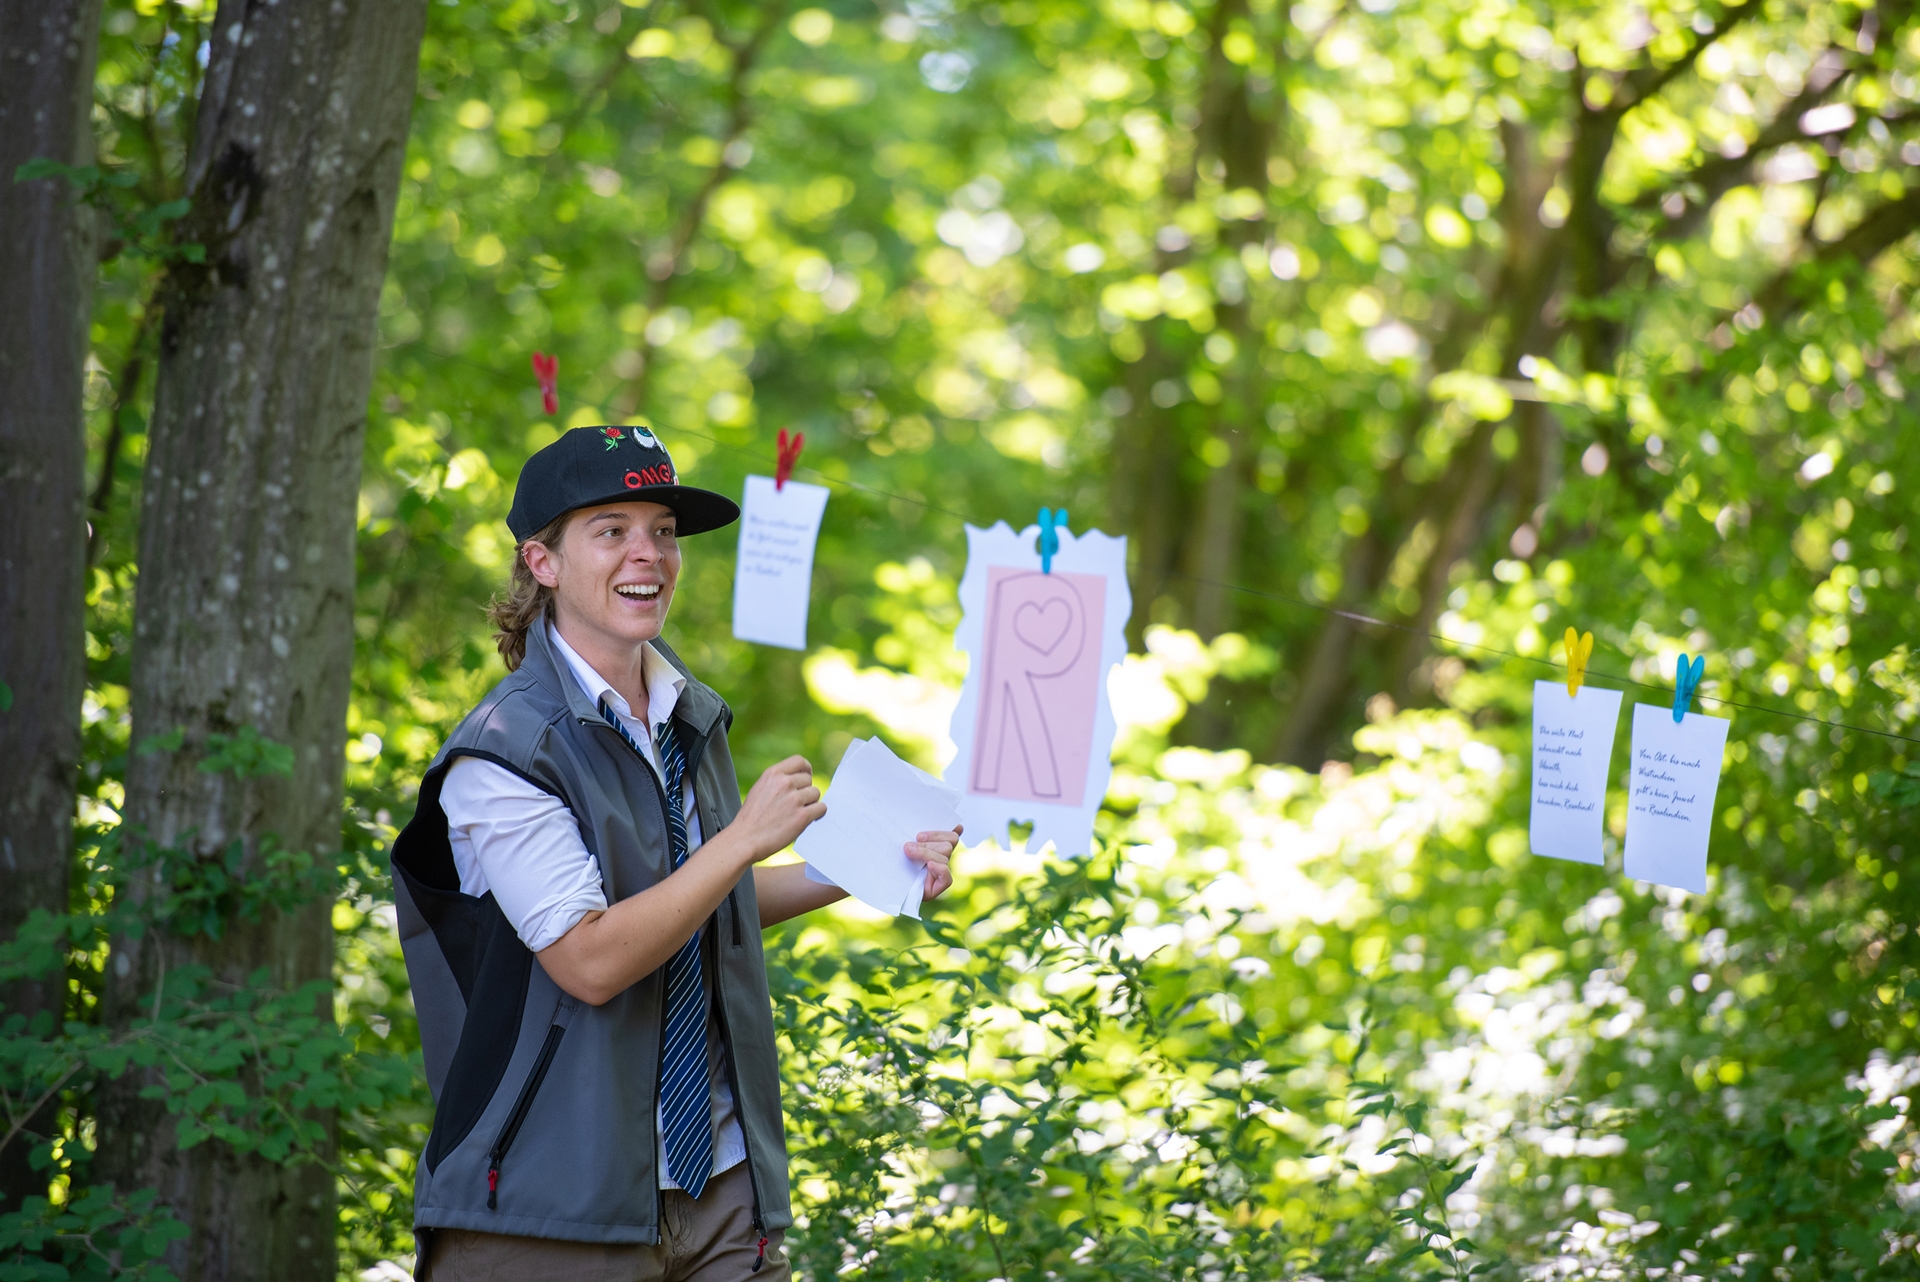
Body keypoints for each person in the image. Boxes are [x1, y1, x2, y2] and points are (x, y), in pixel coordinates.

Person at [390, 424, 961, 1281]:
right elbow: (588, 958)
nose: (648, 554)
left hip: (721, 1184)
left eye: (662, 530)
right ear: (541, 562)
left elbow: (699, 907)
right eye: (611, 530)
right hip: (554, 1204)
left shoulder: (686, 714)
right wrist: (738, 842)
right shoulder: (503, 751)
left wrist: (864, 865)